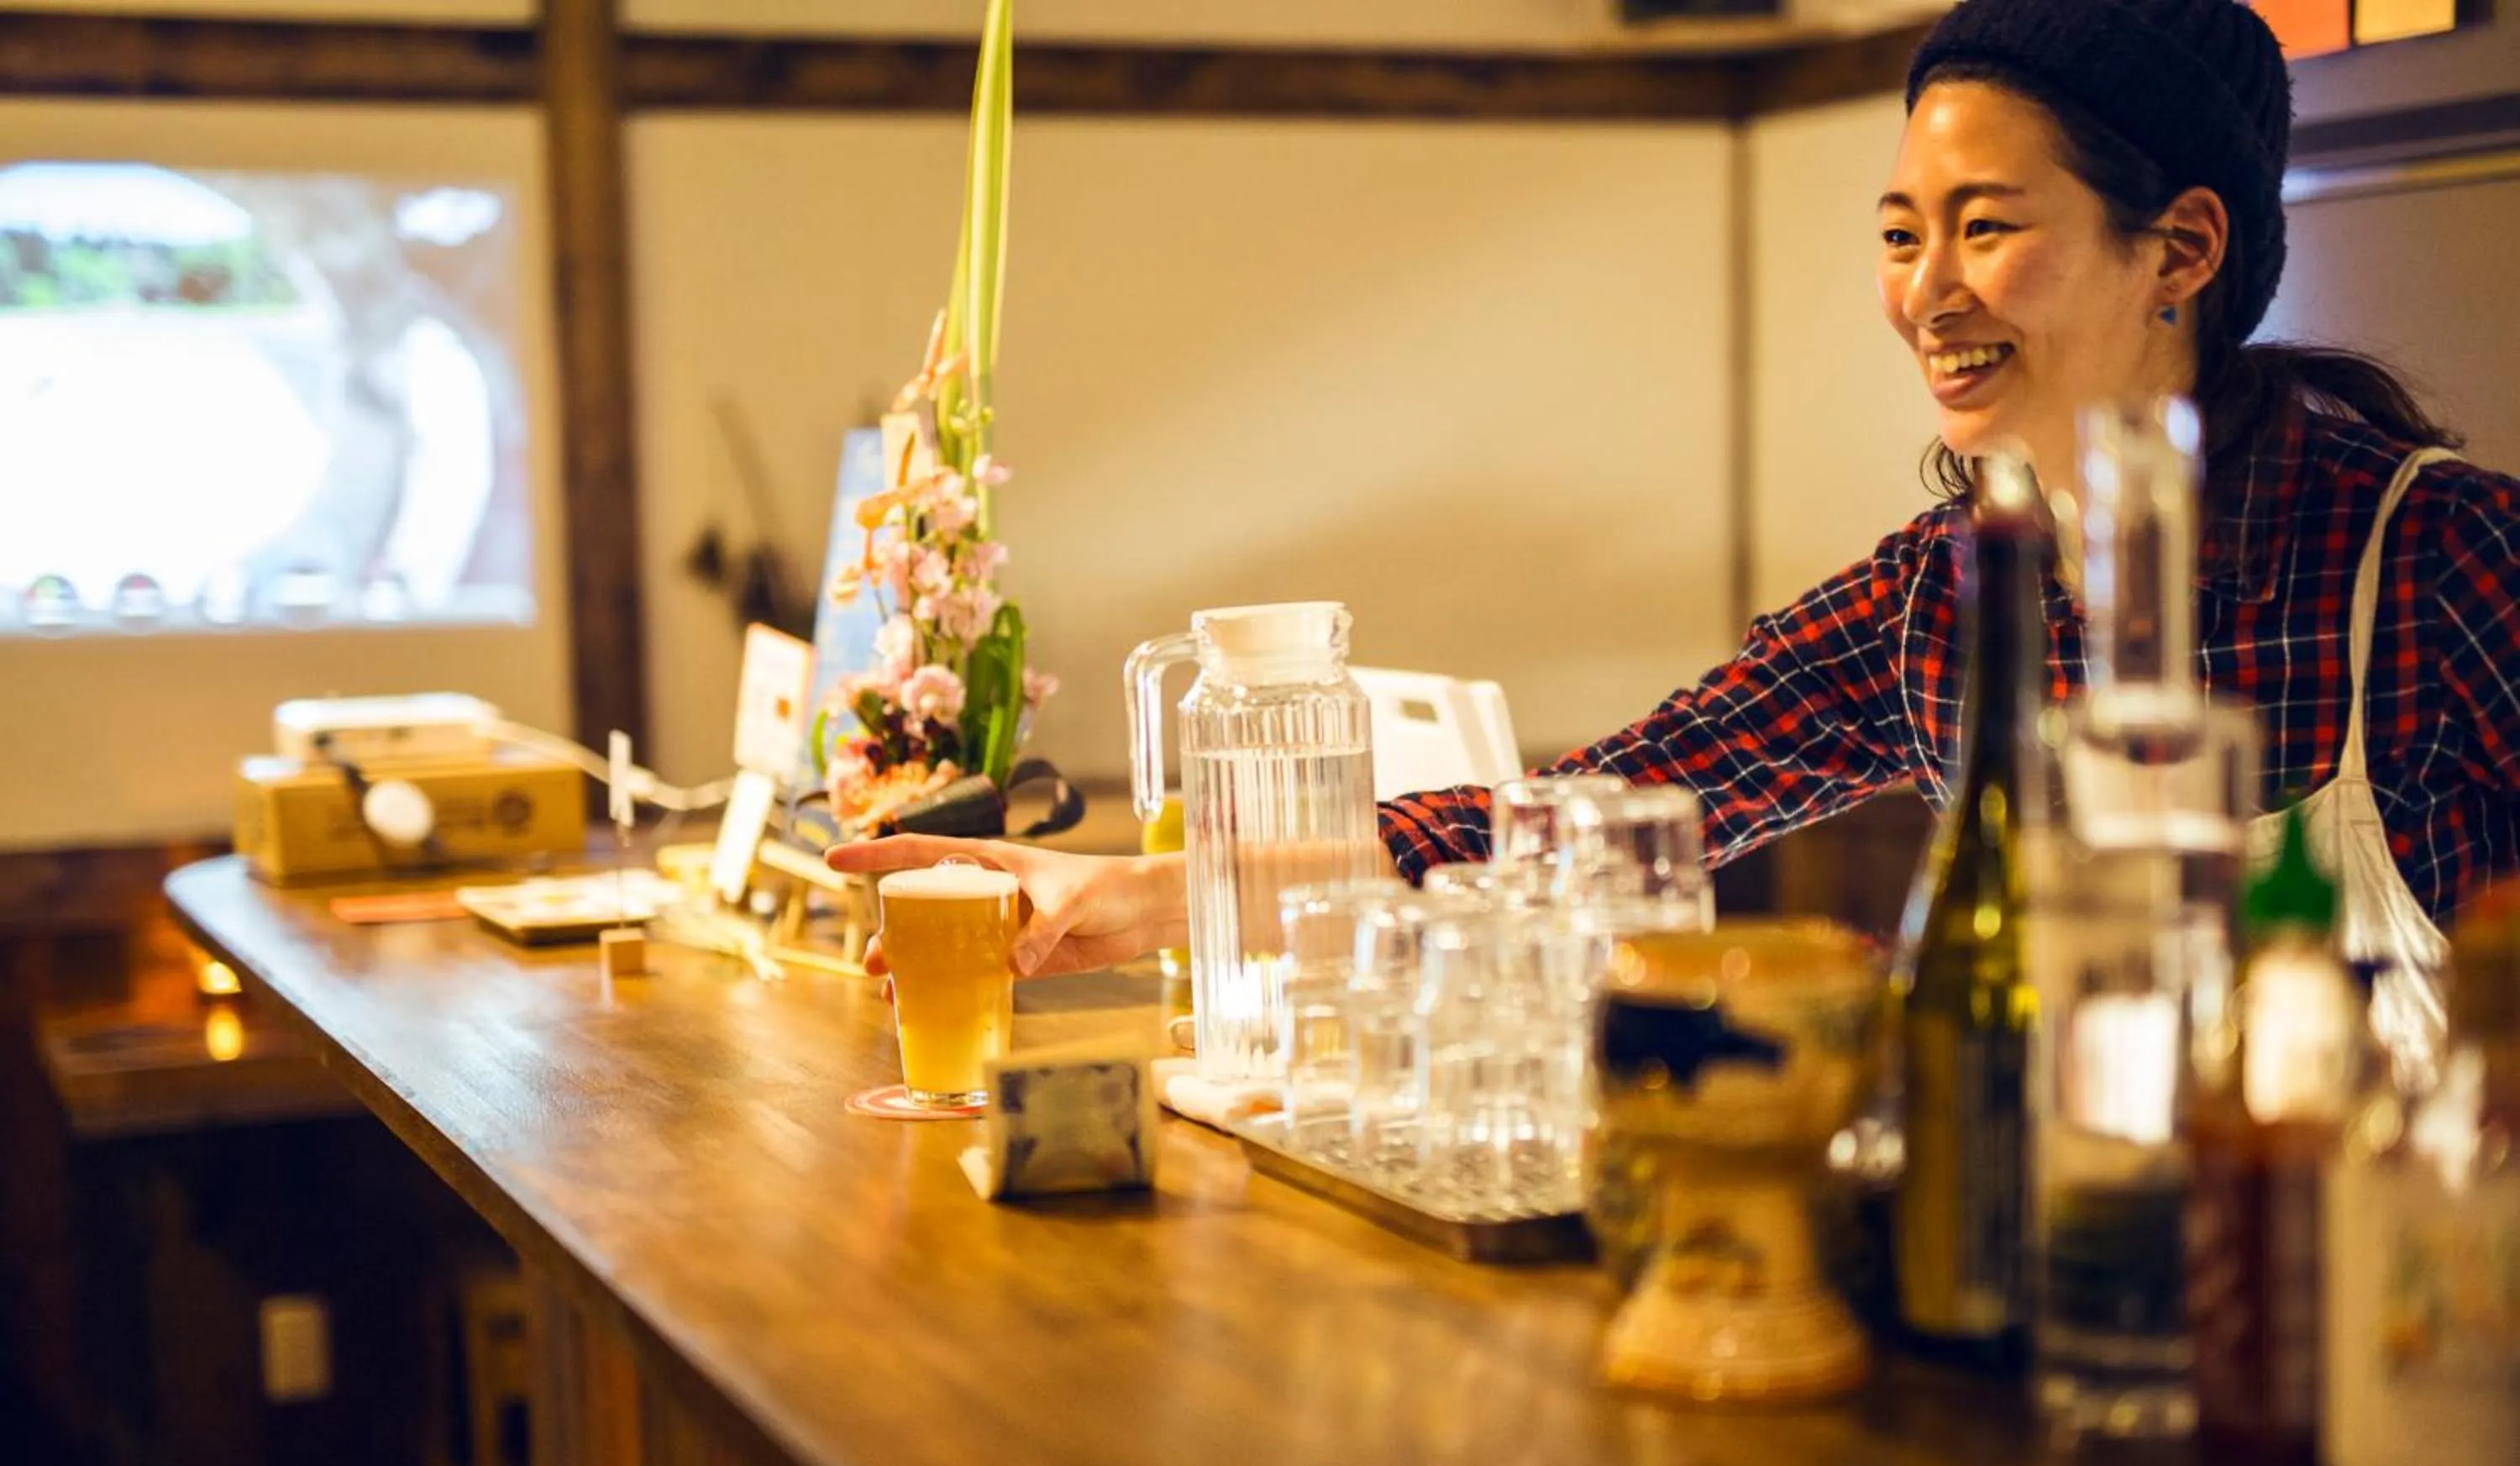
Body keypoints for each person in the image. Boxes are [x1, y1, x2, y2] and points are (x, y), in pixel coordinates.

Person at [831, 0, 2520, 1046]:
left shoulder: (2431, 563)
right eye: (1897, 232)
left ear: (2186, 249)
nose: (1925, 292)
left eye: (1985, 228)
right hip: (2073, 1314)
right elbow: (1589, 816)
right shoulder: (1943, 601)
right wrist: (1143, 892)